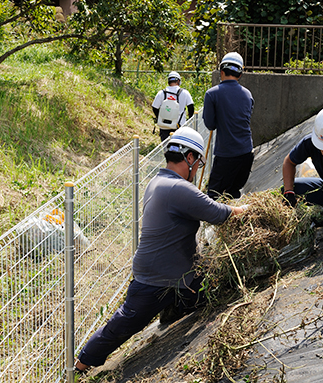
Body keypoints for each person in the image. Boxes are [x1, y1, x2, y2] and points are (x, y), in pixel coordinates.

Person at [74, 126, 246, 374]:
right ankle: (80, 365)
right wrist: (249, 208)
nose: (197, 169)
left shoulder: (158, 180)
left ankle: (175, 306)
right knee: (124, 323)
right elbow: (221, 214)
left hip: (182, 272)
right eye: (197, 163)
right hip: (156, 277)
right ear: (189, 158)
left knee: (213, 291)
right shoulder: (178, 189)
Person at [202, 51, 254, 200]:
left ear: (221, 71)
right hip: (247, 152)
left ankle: (215, 223)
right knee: (233, 193)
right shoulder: (248, 94)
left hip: (226, 154)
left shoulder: (212, 94)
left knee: (214, 195)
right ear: (240, 74)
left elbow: (210, 125)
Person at [152, 71, 195, 142]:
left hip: (164, 126)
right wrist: (189, 119)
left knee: (166, 146)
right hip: (180, 126)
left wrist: (159, 117)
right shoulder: (185, 93)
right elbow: (191, 107)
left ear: (168, 81)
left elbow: (154, 107)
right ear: (178, 81)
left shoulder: (161, 93)